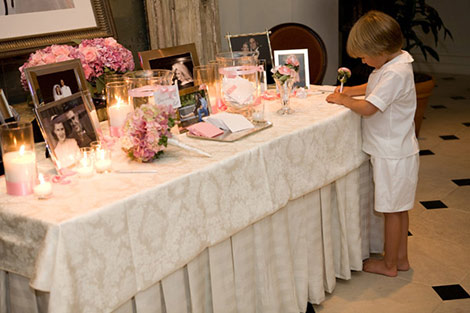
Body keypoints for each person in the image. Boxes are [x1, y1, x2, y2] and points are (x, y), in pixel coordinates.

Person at [326, 10, 419, 277]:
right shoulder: (396, 63)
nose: (364, 61)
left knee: (391, 211)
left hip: (391, 155)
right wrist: (347, 91)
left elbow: (369, 108)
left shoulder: (394, 74)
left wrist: (345, 101)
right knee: (399, 209)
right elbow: (371, 87)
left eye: (365, 56)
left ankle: (389, 265)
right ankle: (401, 259)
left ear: (381, 50)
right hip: (400, 151)